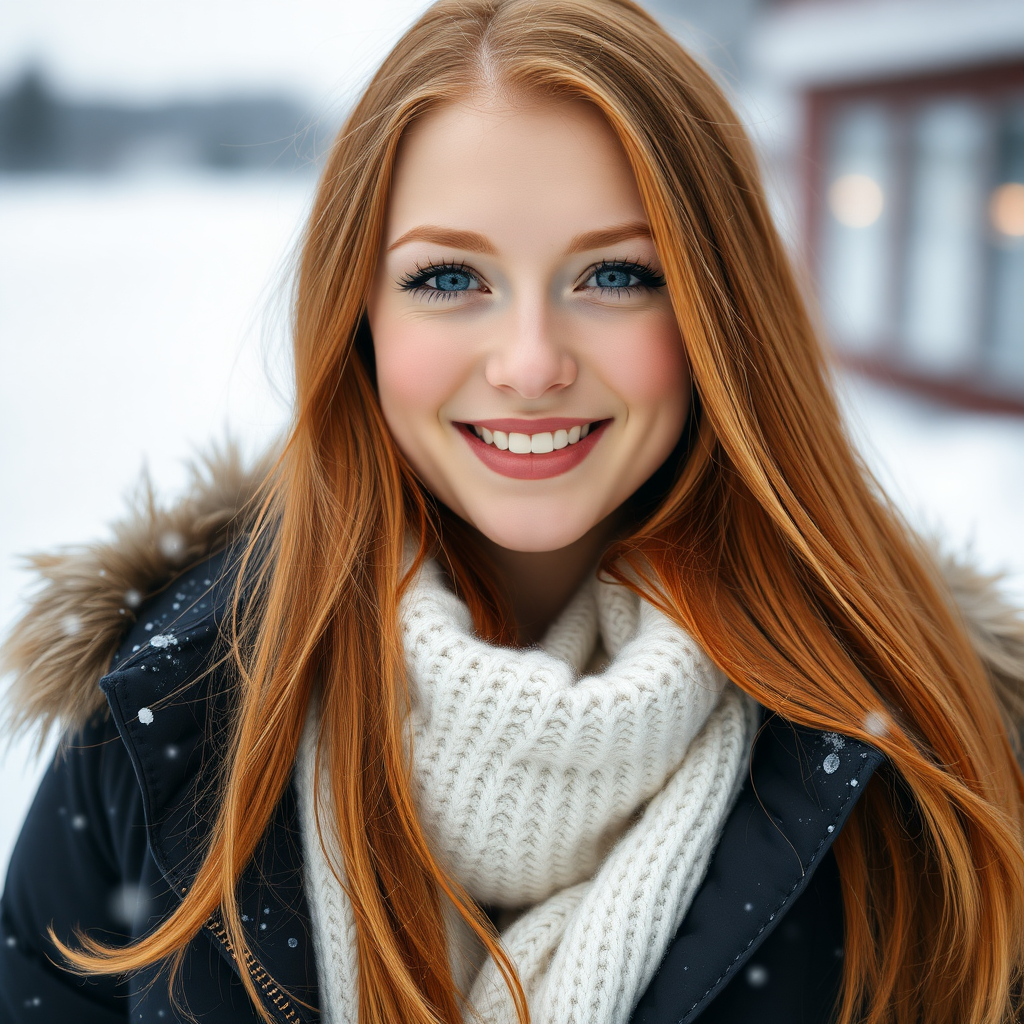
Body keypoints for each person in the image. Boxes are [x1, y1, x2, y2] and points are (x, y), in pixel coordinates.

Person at [2, 0, 1024, 1021]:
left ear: (721, 307)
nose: (530, 363)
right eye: (449, 277)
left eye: (615, 274)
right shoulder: (175, 702)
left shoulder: (935, 758)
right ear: (358, 311)